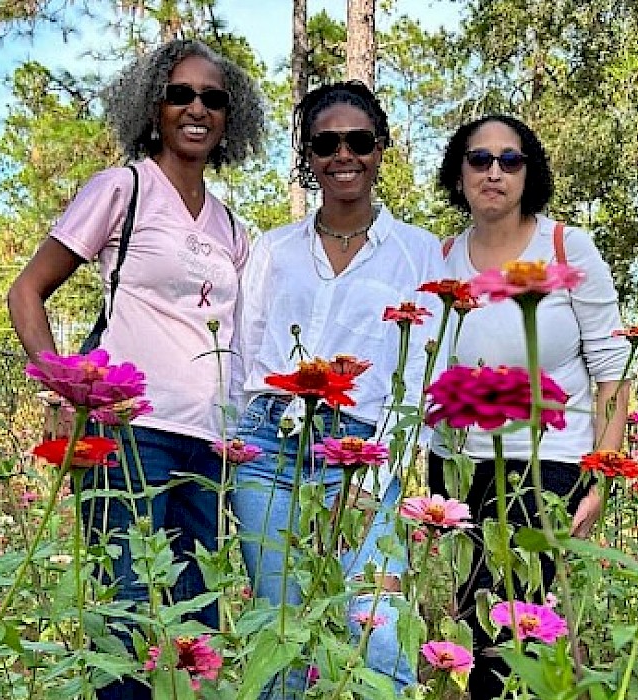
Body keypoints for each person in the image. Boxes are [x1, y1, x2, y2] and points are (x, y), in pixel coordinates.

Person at [6, 39, 264, 699]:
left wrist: (237, 438)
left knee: (193, 620)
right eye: (181, 94)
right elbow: (26, 291)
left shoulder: (232, 227)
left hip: (207, 447)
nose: (197, 108)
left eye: (214, 98)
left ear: (230, 118)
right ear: (155, 107)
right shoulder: (123, 188)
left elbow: (234, 337)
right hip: (129, 435)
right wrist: (62, 383)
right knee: (124, 615)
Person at [230, 81, 444, 698]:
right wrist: (240, 444)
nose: (343, 154)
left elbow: (425, 379)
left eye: (359, 140)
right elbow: (246, 355)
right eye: (327, 143)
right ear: (309, 154)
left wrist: (374, 482)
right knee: (281, 641)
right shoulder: (272, 250)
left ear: (381, 149)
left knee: (377, 638)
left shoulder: (418, 253)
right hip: (268, 453)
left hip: (362, 456)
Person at [428, 115, 631, 699]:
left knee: (527, 631)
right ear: (458, 171)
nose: (494, 172)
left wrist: (601, 476)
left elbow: (612, 372)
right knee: (470, 618)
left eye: (510, 160)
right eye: (479, 159)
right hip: (458, 462)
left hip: (549, 465)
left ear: (528, 171)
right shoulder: (439, 257)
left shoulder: (567, 248)